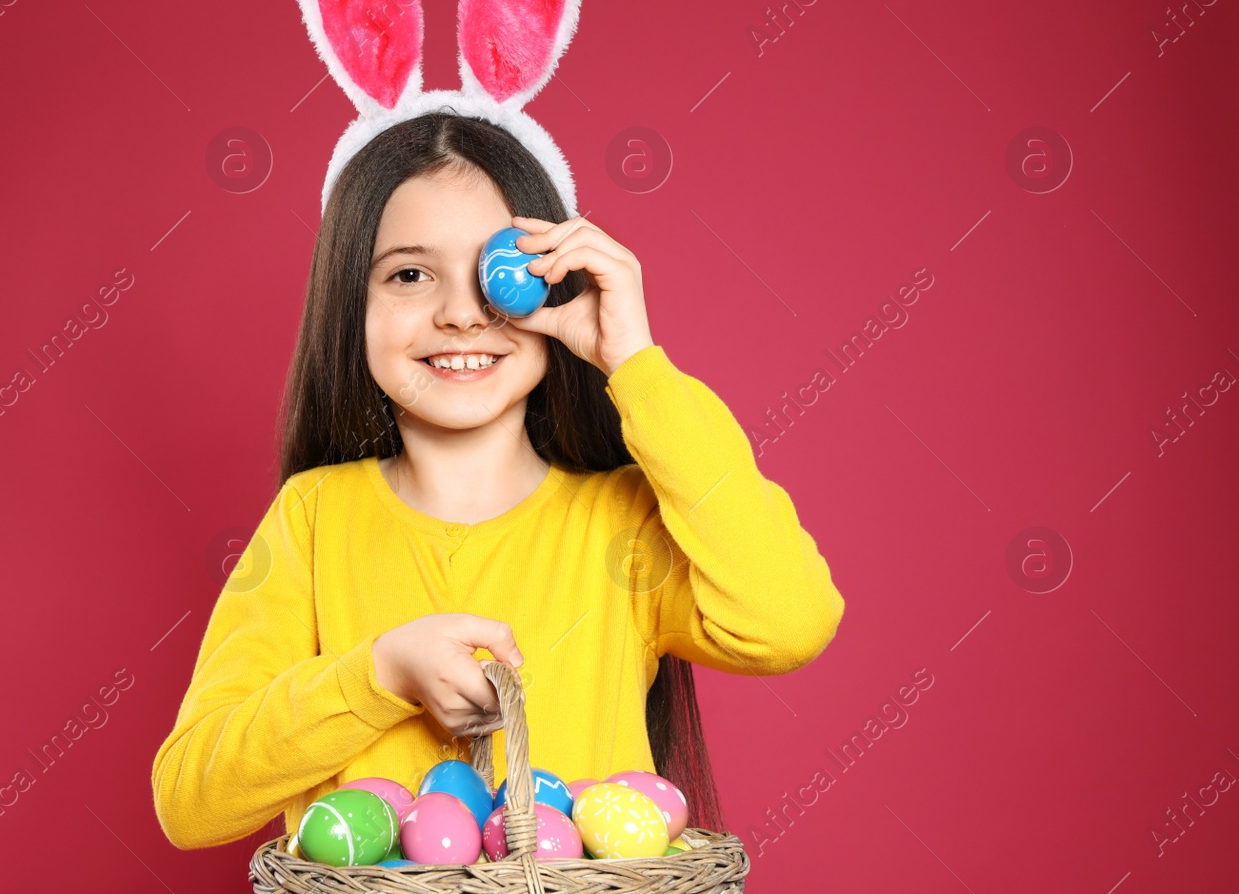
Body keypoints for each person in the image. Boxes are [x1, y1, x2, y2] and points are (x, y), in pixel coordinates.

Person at [150, 111, 845, 851]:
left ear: (552, 287)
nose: (460, 313)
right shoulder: (313, 518)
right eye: (410, 274)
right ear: (352, 303)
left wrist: (636, 363)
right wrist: (377, 673)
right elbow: (193, 801)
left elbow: (789, 622)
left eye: (497, 268)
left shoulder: (621, 524)